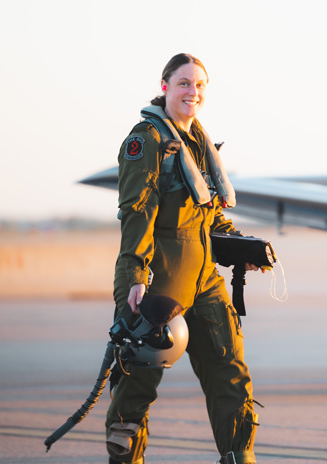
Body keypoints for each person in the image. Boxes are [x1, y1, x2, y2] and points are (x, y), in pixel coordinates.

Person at [107, 53, 263, 464]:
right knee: (137, 381)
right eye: (183, 83)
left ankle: (239, 458)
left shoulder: (198, 143)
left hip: (202, 277)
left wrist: (238, 245)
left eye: (199, 86)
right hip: (159, 276)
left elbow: (207, 214)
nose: (192, 92)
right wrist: (136, 276)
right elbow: (137, 213)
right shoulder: (148, 141)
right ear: (165, 87)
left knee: (230, 372)